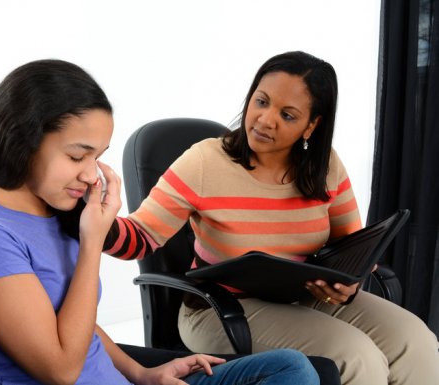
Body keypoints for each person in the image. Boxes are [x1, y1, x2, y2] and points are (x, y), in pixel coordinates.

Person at [0, 59, 320, 385]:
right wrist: (92, 243)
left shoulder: (49, 214)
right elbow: (61, 369)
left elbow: (76, 324)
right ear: (22, 142)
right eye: (77, 157)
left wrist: (142, 373)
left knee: (290, 368)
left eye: (97, 158)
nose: (91, 176)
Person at [103, 51, 439, 385]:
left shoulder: (326, 166)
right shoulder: (205, 161)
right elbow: (139, 237)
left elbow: (350, 247)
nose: (265, 120)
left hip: (305, 297)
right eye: (261, 102)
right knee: (356, 357)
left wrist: (347, 281)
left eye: (288, 115)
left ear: (312, 125)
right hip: (221, 309)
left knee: (417, 342)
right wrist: (93, 219)